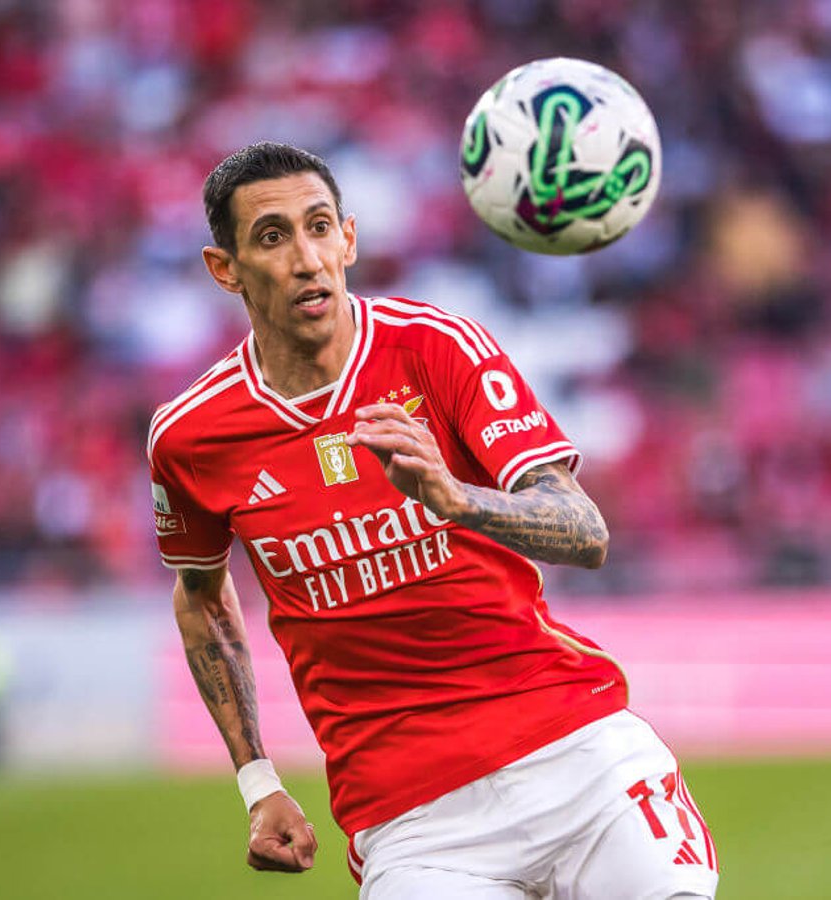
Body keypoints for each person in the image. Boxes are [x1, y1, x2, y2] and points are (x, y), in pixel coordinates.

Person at [148, 141, 718, 899]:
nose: (307, 259)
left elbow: (585, 531)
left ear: (349, 238)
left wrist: (454, 498)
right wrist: (258, 783)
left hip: (576, 752)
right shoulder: (191, 436)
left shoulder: (436, 348)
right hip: (414, 820)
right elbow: (200, 595)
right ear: (226, 268)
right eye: (273, 236)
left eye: (320, 227)